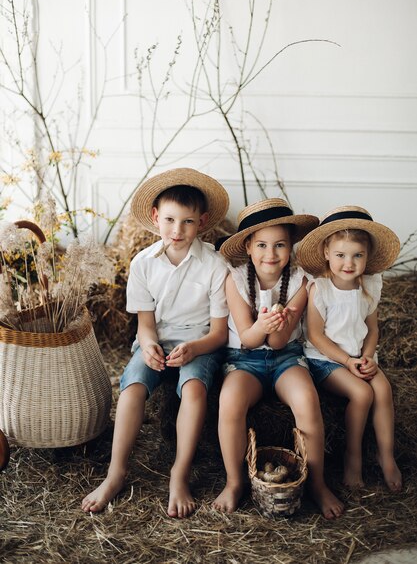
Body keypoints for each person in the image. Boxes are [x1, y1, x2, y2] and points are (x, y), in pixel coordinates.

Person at [82, 168, 230, 517]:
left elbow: (220, 333)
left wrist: (194, 348)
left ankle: (179, 474)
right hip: (158, 342)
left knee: (193, 390)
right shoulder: (143, 264)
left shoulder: (215, 264)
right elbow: (145, 326)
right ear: (155, 217)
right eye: (169, 220)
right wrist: (148, 345)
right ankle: (116, 473)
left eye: (188, 222)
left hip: (200, 342)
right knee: (132, 388)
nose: (177, 231)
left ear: (203, 222)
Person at [212, 198, 344, 519]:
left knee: (307, 400)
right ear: (248, 246)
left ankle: (316, 483)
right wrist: (261, 325)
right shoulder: (235, 279)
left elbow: (280, 340)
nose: (271, 254)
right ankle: (234, 482)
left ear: (291, 246)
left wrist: (279, 326)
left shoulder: (301, 282)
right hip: (246, 360)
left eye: (280, 245)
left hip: (286, 357)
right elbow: (247, 338)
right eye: (262, 245)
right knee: (229, 401)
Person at [296, 205, 402, 492]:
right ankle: (352, 457)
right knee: (362, 392)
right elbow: (316, 337)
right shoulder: (320, 289)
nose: (349, 263)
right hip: (327, 360)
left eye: (358, 255)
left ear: (367, 257)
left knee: (383, 390)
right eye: (341, 255)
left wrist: (367, 356)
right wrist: (347, 361)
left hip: (359, 356)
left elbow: (372, 329)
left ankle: (386, 455)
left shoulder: (368, 285)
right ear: (327, 253)